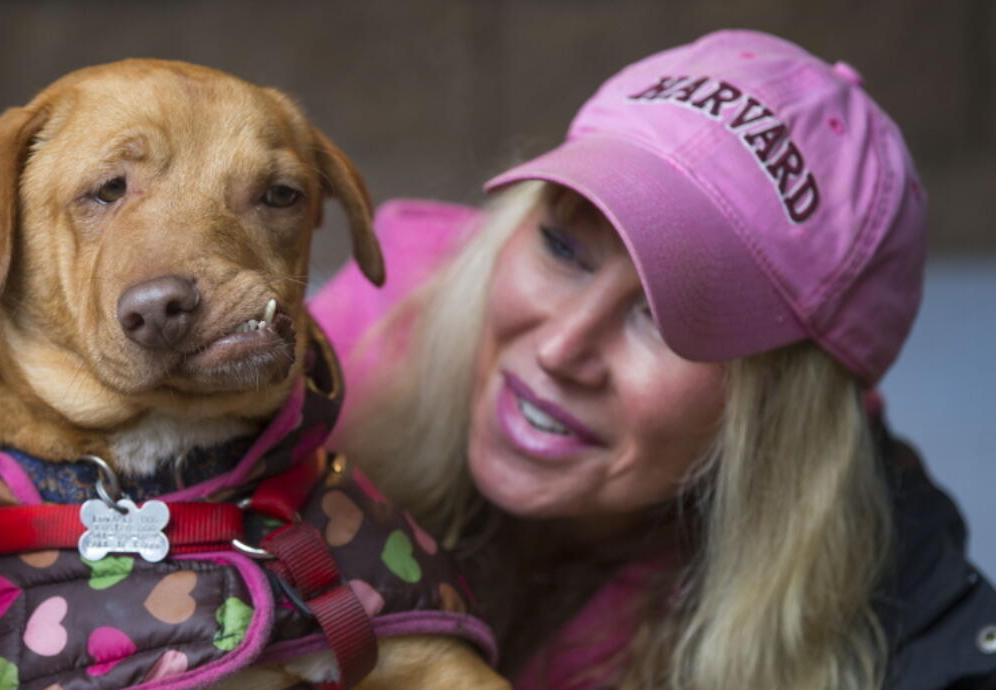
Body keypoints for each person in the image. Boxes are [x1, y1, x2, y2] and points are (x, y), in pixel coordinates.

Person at [309, 29, 996, 690]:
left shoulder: (905, 613)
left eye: (666, 320)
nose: (561, 348)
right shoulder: (331, 362)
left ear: (784, 415)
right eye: (563, 249)